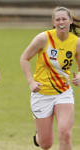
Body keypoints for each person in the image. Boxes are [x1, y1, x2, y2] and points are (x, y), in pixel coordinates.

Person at [20, 6, 80, 150]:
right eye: (57, 19)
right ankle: (39, 136)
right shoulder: (43, 38)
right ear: (53, 22)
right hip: (41, 94)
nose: (61, 22)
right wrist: (31, 82)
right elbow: (24, 58)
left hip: (63, 93)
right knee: (46, 144)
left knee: (65, 133)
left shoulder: (76, 42)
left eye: (64, 19)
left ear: (70, 21)